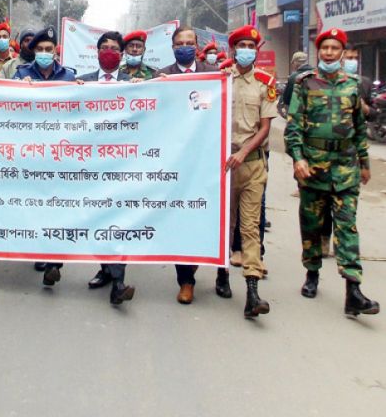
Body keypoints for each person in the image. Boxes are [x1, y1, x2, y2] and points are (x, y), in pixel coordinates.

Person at [284, 27, 379, 316]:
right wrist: (297, 158)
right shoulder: (305, 83)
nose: (329, 53)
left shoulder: (352, 85)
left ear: (342, 53)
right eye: (325, 48)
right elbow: (293, 127)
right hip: (313, 166)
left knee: (347, 226)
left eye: (335, 49)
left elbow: (360, 128)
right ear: (318, 51)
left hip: (345, 167)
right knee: (312, 223)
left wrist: (364, 163)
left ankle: (353, 289)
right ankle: (312, 273)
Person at [159, 26, 218, 304]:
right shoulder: (163, 76)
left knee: (205, 214)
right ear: (172, 47)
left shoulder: (214, 75)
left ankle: (209, 265)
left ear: (197, 45)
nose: (184, 46)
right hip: (174, 160)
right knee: (180, 216)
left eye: (189, 42)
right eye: (179, 43)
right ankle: (186, 280)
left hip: (206, 158)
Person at [13, 26, 76, 286]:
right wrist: (19, 89)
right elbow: (5, 105)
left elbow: (82, 109)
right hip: (33, 152)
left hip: (62, 152)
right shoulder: (22, 74)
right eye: (39, 49)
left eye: (49, 50)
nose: (44, 53)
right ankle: (43, 252)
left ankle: (53, 261)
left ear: (56, 51)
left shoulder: (70, 76)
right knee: (38, 204)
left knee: (58, 205)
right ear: (33, 51)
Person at [221, 25, 276, 318]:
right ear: (233, 49)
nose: (246, 50)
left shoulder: (265, 82)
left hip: (252, 164)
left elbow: (265, 127)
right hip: (224, 166)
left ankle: (252, 291)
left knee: (250, 227)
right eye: (241, 45)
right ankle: (222, 275)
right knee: (225, 226)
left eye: (250, 46)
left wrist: (243, 152)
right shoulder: (220, 78)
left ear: (256, 50)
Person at [79, 31, 135, 305]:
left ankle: (119, 282)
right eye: (105, 47)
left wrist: (156, 85)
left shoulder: (134, 83)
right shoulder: (82, 82)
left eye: (115, 48)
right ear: (97, 52)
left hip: (121, 162)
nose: (110, 51)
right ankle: (105, 270)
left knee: (118, 221)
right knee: (97, 218)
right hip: (89, 163)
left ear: (122, 54)